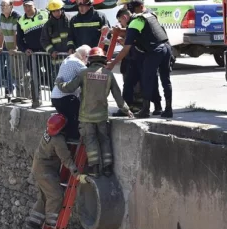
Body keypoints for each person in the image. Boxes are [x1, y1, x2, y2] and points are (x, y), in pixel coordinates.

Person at [56, 47, 132, 178]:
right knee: (104, 140)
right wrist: (127, 110)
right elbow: (118, 96)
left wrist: (59, 83)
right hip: (102, 116)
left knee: (90, 141)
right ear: (103, 60)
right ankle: (108, 168)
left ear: (90, 60)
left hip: (86, 117)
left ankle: (95, 169)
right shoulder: (109, 75)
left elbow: (69, 88)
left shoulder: (84, 74)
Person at [108, 0, 173, 118]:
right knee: (165, 80)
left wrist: (113, 63)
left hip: (154, 51)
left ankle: (145, 110)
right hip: (166, 48)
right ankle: (168, 109)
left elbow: (126, 48)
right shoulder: (150, 15)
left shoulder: (135, 22)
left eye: (127, 6)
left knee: (146, 80)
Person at [26, 113, 79, 229]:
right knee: (56, 196)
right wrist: (76, 173)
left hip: (38, 166)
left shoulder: (48, 132)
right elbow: (66, 159)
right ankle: (51, 222)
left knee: (45, 196)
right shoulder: (58, 140)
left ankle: (34, 221)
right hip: (45, 170)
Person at [114, 8, 161, 114]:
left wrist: (113, 63)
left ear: (124, 17)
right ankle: (125, 108)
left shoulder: (135, 23)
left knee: (150, 82)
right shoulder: (135, 23)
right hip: (135, 59)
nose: (121, 24)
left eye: (121, 21)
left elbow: (128, 46)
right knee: (129, 83)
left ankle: (156, 106)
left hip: (146, 58)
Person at [51, 45, 90, 142]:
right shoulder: (77, 62)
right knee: (77, 116)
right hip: (66, 96)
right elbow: (90, 75)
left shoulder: (67, 59)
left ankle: (67, 138)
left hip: (56, 96)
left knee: (67, 119)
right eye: (88, 58)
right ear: (84, 56)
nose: (88, 61)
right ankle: (74, 137)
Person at [16, 0, 49, 104]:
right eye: (25, 6)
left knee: (52, 75)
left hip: (46, 51)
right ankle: (36, 99)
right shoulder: (20, 20)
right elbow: (19, 40)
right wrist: (25, 49)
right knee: (35, 77)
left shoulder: (45, 13)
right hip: (33, 54)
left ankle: (55, 100)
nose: (27, 8)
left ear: (34, 6)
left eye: (29, 6)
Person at [41, 0, 70, 88]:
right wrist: (51, 50)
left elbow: (73, 37)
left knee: (70, 83)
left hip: (70, 58)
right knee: (57, 83)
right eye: (54, 11)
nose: (56, 13)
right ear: (50, 12)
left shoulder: (69, 20)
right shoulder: (47, 25)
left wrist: (71, 47)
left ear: (62, 9)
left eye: (58, 10)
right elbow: (44, 40)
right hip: (56, 60)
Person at [0, 0, 22, 99]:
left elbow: (15, 33)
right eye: (1, 5)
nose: (2, 7)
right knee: (10, 71)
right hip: (8, 47)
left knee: (18, 73)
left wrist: (15, 48)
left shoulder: (16, 16)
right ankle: (10, 92)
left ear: (11, 6)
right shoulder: (2, 16)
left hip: (17, 48)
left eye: (5, 5)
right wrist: (0, 46)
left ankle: (19, 96)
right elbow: (1, 32)